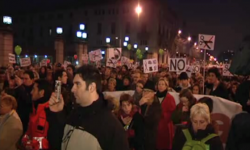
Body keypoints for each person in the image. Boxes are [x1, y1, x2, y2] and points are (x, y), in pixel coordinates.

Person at [47, 65, 129, 150]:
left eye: (77, 84)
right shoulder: (74, 115)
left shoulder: (111, 126)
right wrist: (57, 114)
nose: (72, 89)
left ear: (91, 87)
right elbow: (57, 143)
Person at [22, 79, 53, 150]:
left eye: (34, 89)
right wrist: (25, 141)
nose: (31, 92)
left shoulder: (46, 113)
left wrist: (30, 145)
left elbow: (43, 143)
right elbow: (28, 132)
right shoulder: (35, 109)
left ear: (41, 93)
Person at [156, 78, 176, 150]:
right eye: (159, 84)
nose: (160, 86)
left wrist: (162, 114)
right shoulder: (154, 97)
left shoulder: (170, 98)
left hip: (165, 125)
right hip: (155, 125)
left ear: (166, 86)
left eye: (162, 84)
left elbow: (173, 112)